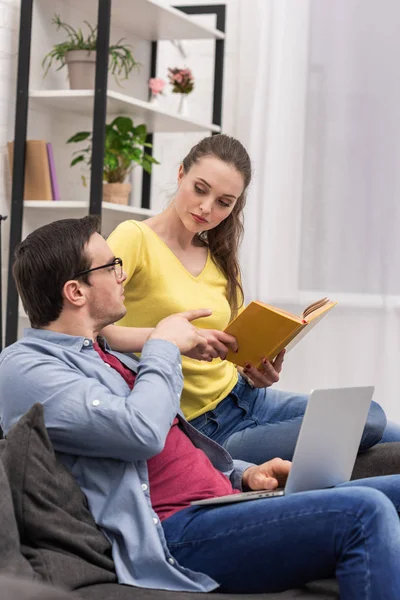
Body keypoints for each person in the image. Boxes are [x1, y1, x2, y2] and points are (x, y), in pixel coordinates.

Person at [2, 217, 400, 598]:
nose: (122, 276)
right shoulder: (26, 368)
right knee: (365, 512)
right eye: (112, 266)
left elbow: (174, 447)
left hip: (221, 503)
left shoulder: (105, 354)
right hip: (175, 533)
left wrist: (243, 475)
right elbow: (140, 432)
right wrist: (161, 344)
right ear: (76, 292)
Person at [105, 134, 400, 463]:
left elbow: (232, 345)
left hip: (246, 397)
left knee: (381, 424)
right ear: (180, 174)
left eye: (223, 202)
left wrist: (258, 370)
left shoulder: (219, 258)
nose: (206, 208)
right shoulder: (134, 238)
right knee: (367, 423)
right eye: (200, 189)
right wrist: (170, 339)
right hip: (205, 430)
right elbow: (90, 329)